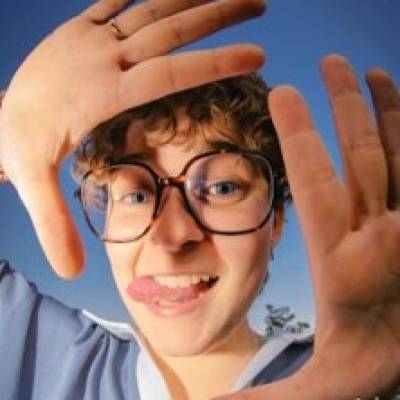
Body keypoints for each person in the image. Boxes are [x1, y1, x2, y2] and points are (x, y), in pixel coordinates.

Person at [0, 1, 399, 399]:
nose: (173, 235)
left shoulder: (370, 368)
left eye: (222, 189)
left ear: (275, 219)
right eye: (137, 194)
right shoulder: (33, 346)